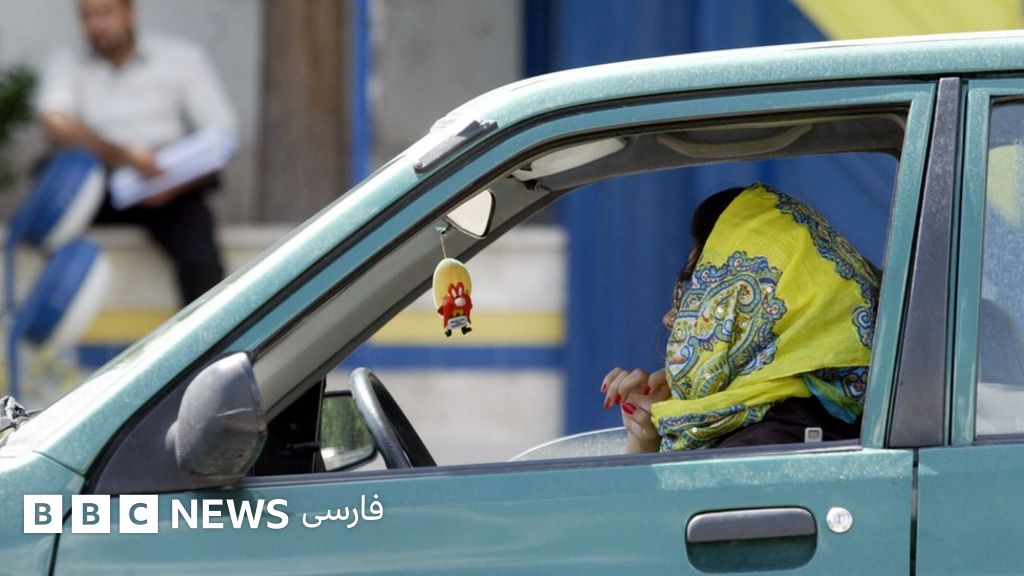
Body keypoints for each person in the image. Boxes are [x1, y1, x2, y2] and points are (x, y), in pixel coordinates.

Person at [602, 183, 878, 453]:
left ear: (752, 309)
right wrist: (645, 440)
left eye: (696, 293)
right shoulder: (803, 422)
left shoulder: (757, 448)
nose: (670, 318)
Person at [37, 0, 238, 305]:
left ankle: (208, 332)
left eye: (105, 13)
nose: (96, 25)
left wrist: (170, 182)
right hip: (97, 185)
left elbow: (223, 135)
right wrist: (126, 156)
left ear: (128, 12)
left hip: (169, 185)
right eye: (86, 17)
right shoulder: (66, 60)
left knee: (201, 262)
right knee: (50, 210)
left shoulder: (179, 58)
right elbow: (55, 123)